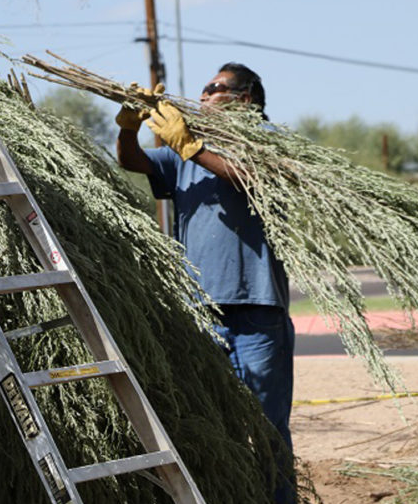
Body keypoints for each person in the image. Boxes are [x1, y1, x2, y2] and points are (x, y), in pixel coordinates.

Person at [115, 63, 295, 452]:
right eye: (204, 89)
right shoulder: (182, 153)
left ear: (244, 99)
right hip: (201, 308)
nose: (203, 96)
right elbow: (132, 161)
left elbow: (251, 175)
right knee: (216, 423)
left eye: (215, 88)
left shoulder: (266, 141)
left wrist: (192, 148)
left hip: (257, 309)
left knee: (267, 426)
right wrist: (128, 126)